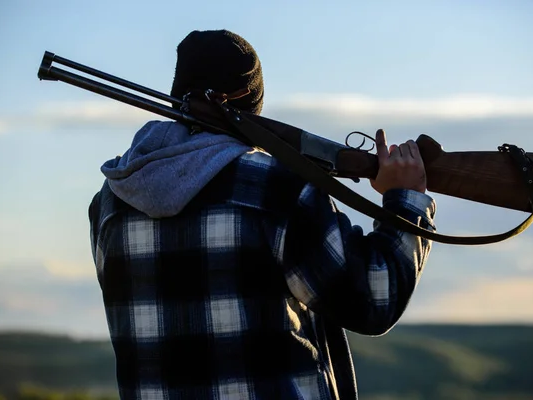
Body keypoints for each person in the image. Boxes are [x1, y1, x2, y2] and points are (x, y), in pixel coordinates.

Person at [89, 29, 436, 400]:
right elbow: (373, 299)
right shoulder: (279, 187)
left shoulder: (109, 202)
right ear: (252, 102)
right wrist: (405, 200)